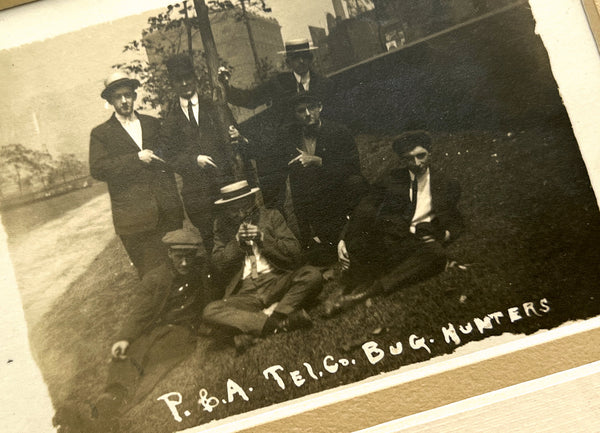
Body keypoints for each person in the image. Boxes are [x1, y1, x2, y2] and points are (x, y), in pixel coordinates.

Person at [54, 229, 210, 432]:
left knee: (151, 364)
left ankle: (103, 416)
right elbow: (140, 314)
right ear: (170, 254)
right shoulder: (156, 279)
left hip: (181, 332)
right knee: (126, 357)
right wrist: (124, 338)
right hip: (156, 330)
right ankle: (100, 411)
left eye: (189, 257)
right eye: (179, 257)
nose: (184, 264)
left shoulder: (202, 271)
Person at [326, 131, 463, 315]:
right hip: (390, 240)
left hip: (418, 241)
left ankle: (365, 294)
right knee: (363, 237)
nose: (416, 163)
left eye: (420, 156)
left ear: (429, 152)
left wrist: (446, 234)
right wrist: (343, 238)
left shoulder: (446, 184)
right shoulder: (391, 179)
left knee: (436, 254)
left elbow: (454, 218)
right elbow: (364, 208)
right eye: (409, 159)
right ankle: (345, 286)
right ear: (401, 160)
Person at [202, 180, 323, 351]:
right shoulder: (221, 228)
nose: (241, 213)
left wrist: (262, 238)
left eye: (244, 206)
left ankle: (256, 324)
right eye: (233, 211)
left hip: (277, 281)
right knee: (210, 311)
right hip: (247, 293)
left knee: (312, 276)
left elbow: (295, 254)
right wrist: (236, 244)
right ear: (226, 211)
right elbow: (218, 266)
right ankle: (278, 321)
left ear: (253, 201)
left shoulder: (271, 216)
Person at [89, 70, 183, 278]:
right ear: (110, 101)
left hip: (166, 212)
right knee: (153, 276)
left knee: (182, 268)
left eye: (128, 95)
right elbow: (98, 168)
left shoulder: (152, 123)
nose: (124, 101)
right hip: (135, 220)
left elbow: (169, 155)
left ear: (134, 95)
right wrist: (135, 159)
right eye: (118, 97)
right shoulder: (101, 133)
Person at [259, 93, 366, 264]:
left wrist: (318, 161)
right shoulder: (291, 137)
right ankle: (317, 239)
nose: (308, 114)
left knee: (355, 185)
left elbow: (353, 168)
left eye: (312, 108)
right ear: (295, 114)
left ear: (320, 107)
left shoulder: (338, 131)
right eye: (301, 111)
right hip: (314, 200)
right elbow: (270, 157)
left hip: (340, 193)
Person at [160, 54, 234, 255]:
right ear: (173, 84)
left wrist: (234, 135)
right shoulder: (171, 119)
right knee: (210, 241)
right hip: (197, 194)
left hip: (224, 184)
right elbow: (167, 155)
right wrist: (193, 161)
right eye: (179, 80)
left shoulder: (213, 106)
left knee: (234, 234)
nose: (185, 83)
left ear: (195, 77)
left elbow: (230, 136)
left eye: (188, 77)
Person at [218, 38, 334, 124]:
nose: (301, 61)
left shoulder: (325, 84)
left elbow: (333, 117)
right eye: (295, 58)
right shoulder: (279, 83)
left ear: (311, 59)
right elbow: (251, 99)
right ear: (288, 62)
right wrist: (226, 86)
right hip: (291, 144)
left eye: (305, 56)